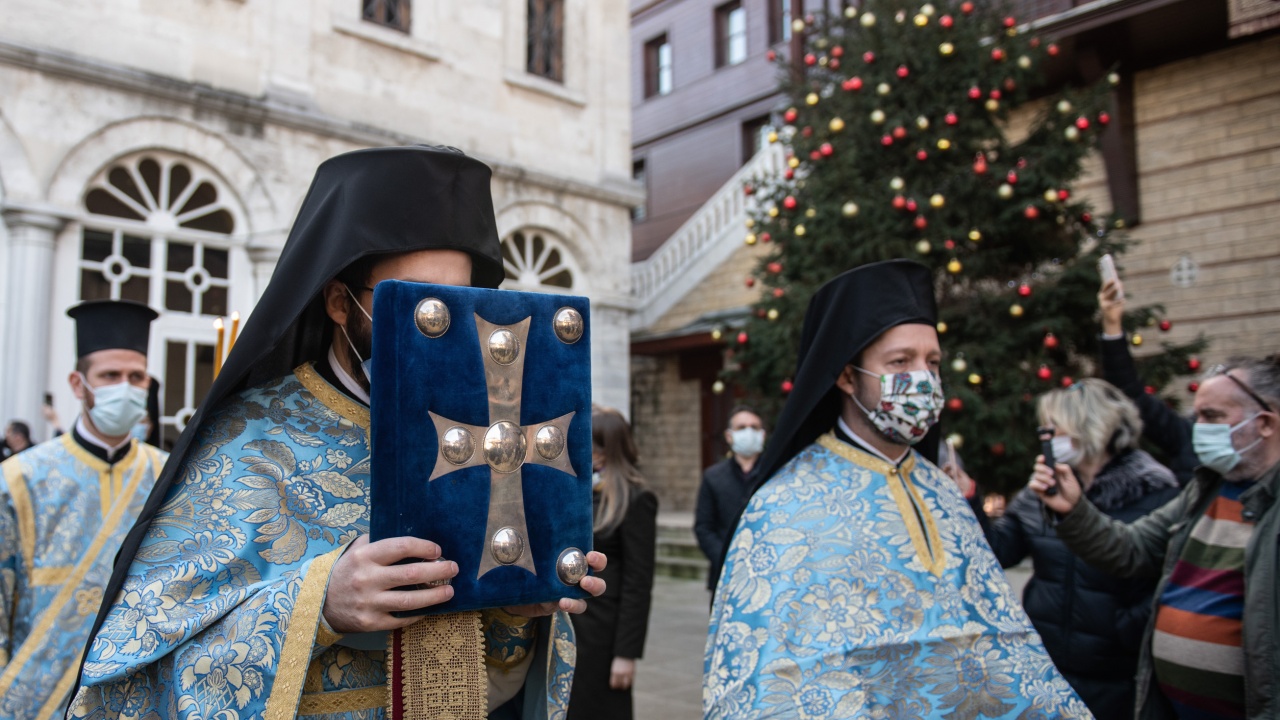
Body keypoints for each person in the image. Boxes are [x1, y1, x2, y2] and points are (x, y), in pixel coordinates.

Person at [69, 146, 606, 719]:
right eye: (416, 305)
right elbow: (133, 670)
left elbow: (493, 665)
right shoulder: (249, 436)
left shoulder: (495, 431)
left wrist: (520, 606)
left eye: (457, 303)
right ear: (339, 303)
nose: (440, 328)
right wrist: (319, 607)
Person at [704, 259, 1091, 718]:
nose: (923, 379)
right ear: (848, 376)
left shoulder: (944, 493)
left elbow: (1007, 643)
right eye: (900, 362)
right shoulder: (784, 505)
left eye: (932, 362)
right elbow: (771, 681)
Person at [1032, 356, 1280, 720]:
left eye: (1212, 416)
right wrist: (1073, 509)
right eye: (1197, 417)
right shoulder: (1205, 492)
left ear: (1264, 424)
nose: (1198, 428)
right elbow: (1130, 549)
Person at [970, 379, 1179, 718]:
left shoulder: (1153, 490)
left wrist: (1125, 628)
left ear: (1091, 425)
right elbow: (1000, 551)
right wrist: (970, 499)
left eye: (1055, 428)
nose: (1048, 438)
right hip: (1049, 664)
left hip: (1117, 675)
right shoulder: (1042, 492)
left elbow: (1166, 577)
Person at [0, 299, 166, 719]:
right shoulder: (19, 477)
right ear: (78, 383)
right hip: (36, 700)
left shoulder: (168, 474)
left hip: (137, 698)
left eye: (136, 376)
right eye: (110, 376)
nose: (125, 387)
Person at [567, 407, 657, 720]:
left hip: (605, 632)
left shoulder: (635, 498)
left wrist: (626, 653)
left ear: (606, 450)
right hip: (572, 625)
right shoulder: (579, 491)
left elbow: (639, 581)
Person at [1098, 277, 1198, 484]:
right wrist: (1112, 324)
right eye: (1201, 413)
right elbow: (1130, 396)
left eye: (1214, 413)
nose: (1204, 422)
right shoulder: (1191, 438)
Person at [694, 405, 765, 591]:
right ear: (729, 436)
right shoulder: (713, 476)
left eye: (754, 427)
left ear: (762, 434)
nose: (748, 432)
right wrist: (727, 559)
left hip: (766, 574)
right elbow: (704, 527)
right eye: (741, 427)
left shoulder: (775, 474)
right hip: (724, 575)